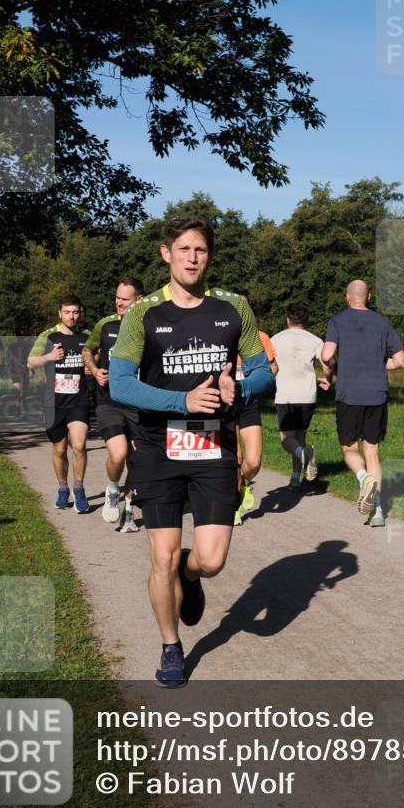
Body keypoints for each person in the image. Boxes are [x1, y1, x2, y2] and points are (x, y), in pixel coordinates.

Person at [109, 215, 274, 689]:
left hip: (212, 446)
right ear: (167, 253)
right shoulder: (143, 313)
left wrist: (236, 387)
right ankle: (170, 648)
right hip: (159, 448)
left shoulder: (232, 309)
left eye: (200, 250)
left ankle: (191, 573)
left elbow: (265, 374)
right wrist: (181, 400)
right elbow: (120, 384)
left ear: (210, 256)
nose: (192, 258)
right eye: (183, 249)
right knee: (159, 559)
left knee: (212, 559)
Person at [321, 280, 404, 527]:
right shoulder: (382, 323)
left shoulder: (337, 321)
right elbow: (400, 360)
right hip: (377, 393)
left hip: (349, 393)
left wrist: (332, 367)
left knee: (349, 448)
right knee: (372, 450)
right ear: (367, 297)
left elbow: (327, 355)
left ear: (348, 297)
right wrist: (380, 365)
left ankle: (363, 479)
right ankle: (378, 510)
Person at [83, 277, 145, 534]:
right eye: (117, 298)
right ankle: (112, 487)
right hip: (110, 401)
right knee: (118, 454)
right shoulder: (105, 324)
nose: (119, 303)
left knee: (139, 460)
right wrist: (95, 369)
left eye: (125, 299)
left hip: (142, 404)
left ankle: (129, 511)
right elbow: (88, 349)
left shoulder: (151, 326)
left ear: (139, 300)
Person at [27, 295, 91, 513]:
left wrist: (92, 364)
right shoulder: (48, 336)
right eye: (67, 312)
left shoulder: (88, 336)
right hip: (53, 401)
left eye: (75, 312)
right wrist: (49, 357)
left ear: (80, 312)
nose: (71, 316)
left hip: (78, 400)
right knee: (60, 448)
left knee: (80, 444)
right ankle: (63, 489)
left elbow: (98, 358)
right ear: (59, 313)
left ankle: (79, 489)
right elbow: (31, 362)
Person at [270, 304, 331, 491]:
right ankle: (296, 477)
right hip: (308, 394)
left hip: (286, 394)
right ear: (306, 321)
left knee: (286, 438)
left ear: (288, 320)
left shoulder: (275, 339)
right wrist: (328, 378)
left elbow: (270, 365)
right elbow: (327, 361)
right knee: (299, 436)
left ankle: (303, 455)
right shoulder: (315, 340)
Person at [233, 302, 278, 525]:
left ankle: (243, 483)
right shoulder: (220, 333)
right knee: (236, 457)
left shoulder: (261, 337)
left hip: (249, 401)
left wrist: (259, 378)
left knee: (253, 461)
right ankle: (233, 507)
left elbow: (273, 368)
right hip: (225, 403)